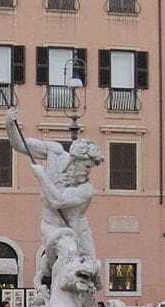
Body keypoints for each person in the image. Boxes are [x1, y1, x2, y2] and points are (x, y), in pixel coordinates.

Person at [6, 106, 104, 286]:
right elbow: (20, 145)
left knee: (93, 277)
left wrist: (41, 176)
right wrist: (10, 125)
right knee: (69, 251)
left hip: (79, 232)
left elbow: (58, 201)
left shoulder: (86, 188)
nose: (88, 171)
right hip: (52, 226)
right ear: (75, 160)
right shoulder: (55, 152)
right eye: (87, 166)